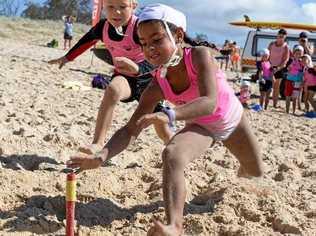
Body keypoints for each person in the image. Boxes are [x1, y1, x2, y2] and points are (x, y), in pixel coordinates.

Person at [67, 4, 263, 235]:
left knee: (254, 171)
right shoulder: (157, 82)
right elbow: (131, 130)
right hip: (201, 127)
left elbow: (209, 102)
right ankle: (174, 226)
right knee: (172, 154)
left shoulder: (199, 55)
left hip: (232, 121)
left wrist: (170, 114)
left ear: (178, 35)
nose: (149, 48)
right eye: (143, 43)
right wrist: (102, 155)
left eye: (157, 39)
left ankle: (242, 176)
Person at [49, 0, 173, 155]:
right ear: (103, 7)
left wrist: (137, 68)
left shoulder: (140, 28)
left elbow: (156, 58)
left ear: (133, 6)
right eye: (111, 7)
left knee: (161, 127)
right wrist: (68, 57)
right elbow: (86, 41)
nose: (117, 12)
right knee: (113, 89)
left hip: (149, 81)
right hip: (125, 78)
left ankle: (172, 145)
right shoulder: (103, 27)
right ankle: (97, 143)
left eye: (122, 7)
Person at [268, 29, 290, 108]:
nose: (280, 38)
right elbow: (267, 55)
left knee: (276, 88)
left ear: (285, 37)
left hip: (279, 69)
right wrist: (268, 66)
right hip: (270, 68)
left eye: (282, 36)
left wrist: (277, 68)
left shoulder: (286, 47)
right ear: (277, 35)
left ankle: (274, 105)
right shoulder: (271, 44)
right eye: (279, 36)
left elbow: (285, 60)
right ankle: (265, 104)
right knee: (268, 86)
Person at [285, 45, 304, 114]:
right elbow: (287, 68)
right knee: (288, 96)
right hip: (289, 80)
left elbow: (304, 71)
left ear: (302, 54)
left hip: (297, 81)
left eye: (300, 54)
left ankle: (293, 111)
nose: (298, 55)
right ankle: (287, 111)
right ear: (294, 53)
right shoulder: (290, 60)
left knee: (295, 97)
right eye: (297, 53)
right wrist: (289, 67)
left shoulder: (302, 62)